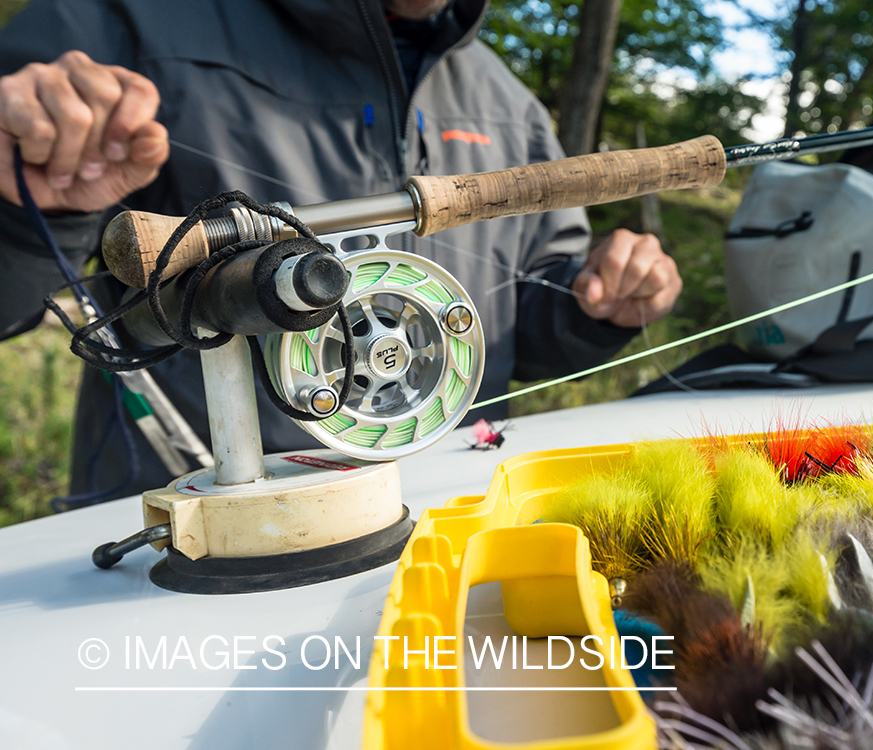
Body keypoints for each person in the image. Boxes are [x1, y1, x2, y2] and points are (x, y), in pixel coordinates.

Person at [0, 0, 683, 500]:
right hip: (190, 535)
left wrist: (598, 306)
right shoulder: (119, 23)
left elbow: (519, 324)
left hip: (445, 519)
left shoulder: (511, 103)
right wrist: (26, 211)